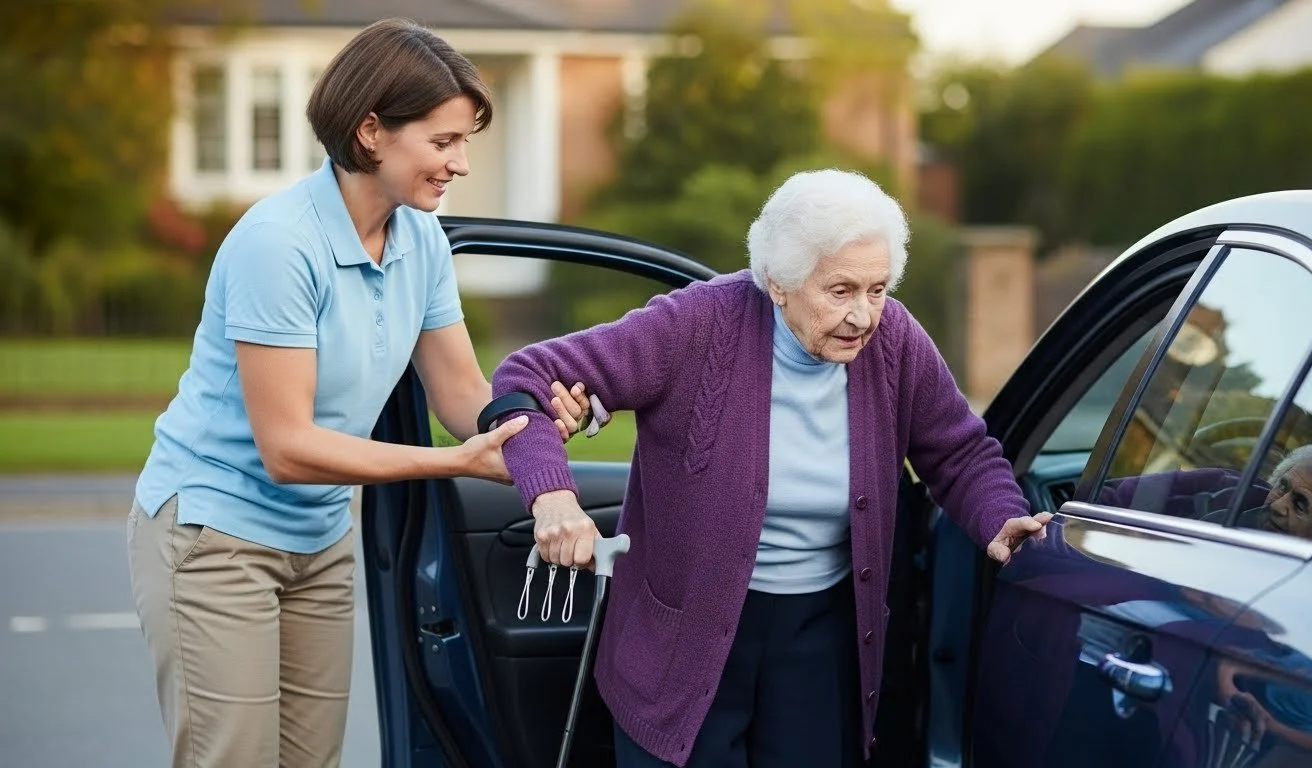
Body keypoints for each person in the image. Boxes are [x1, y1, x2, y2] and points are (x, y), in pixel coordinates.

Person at [127, 19, 595, 768]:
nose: (461, 164)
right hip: (215, 536)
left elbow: (461, 392)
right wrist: (455, 463)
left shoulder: (420, 240)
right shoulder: (279, 244)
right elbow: (287, 449)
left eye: (465, 141)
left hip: (317, 542)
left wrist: (529, 423)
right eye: (443, 142)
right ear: (372, 131)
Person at [489, 169, 1051, 767]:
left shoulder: (895, 341)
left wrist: (1001, 518)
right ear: (778, 283)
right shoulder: (695, 327)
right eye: (840, 291)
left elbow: (959, 451)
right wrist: (554, 498)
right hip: (685, 642)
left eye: (878, 289)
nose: (863, 315)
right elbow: (524, 378)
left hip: (819, 635)